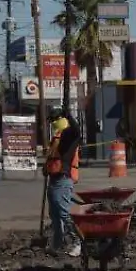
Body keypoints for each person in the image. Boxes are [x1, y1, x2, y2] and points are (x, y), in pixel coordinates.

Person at [43, 106, 82, 257]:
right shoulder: (57, 138)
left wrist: (70, 115)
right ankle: (57, 245)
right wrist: (46, 168)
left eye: (54, 119)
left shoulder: (68, 135)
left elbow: (77, 131)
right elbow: (52, 159)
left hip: (63, 180)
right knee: (55, 215)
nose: (52, 123)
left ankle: (77, 242)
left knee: (64, 213)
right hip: (54, 181)